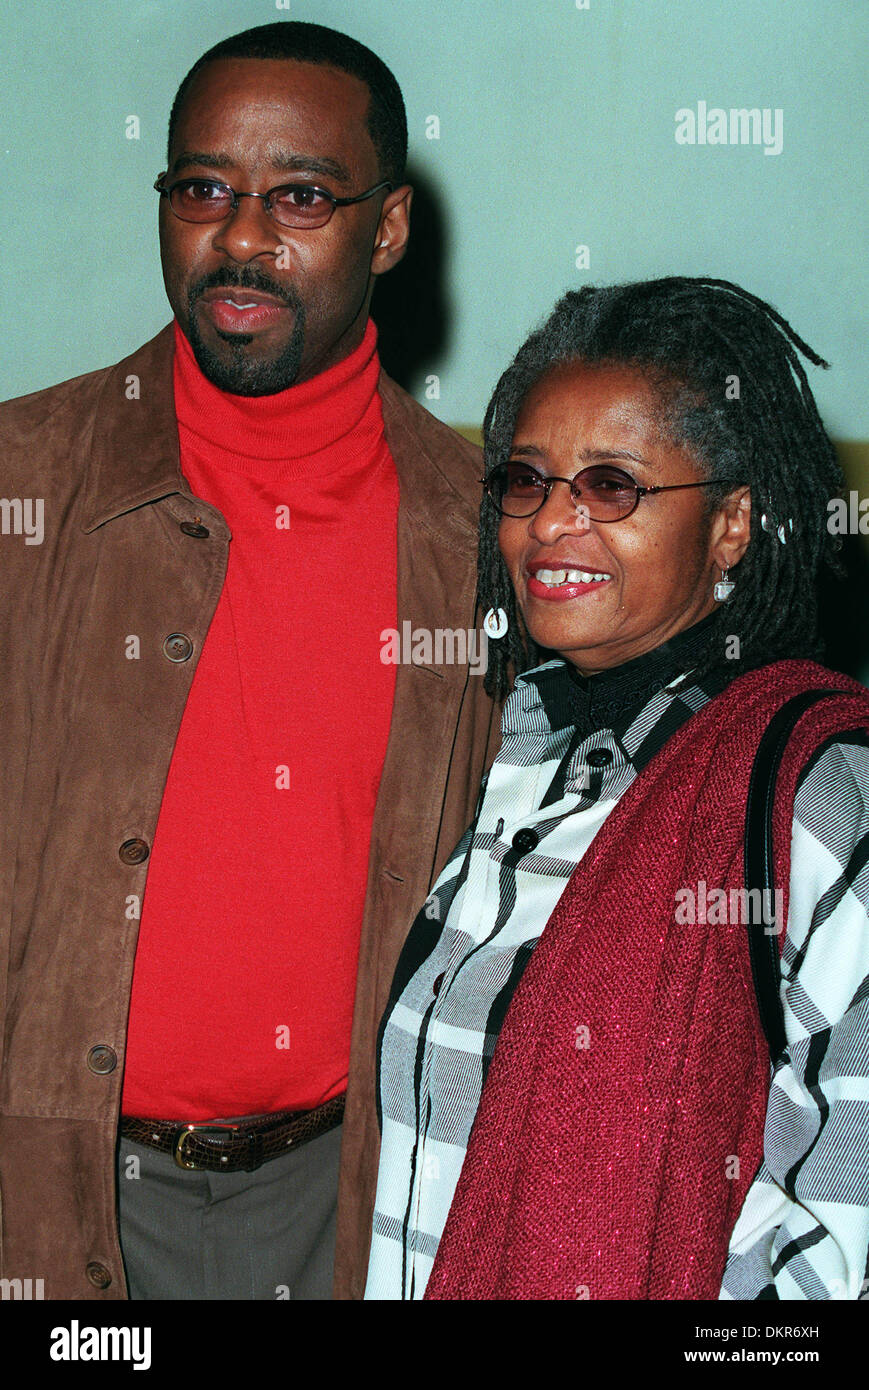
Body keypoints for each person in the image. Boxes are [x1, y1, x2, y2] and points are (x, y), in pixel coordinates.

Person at [0, 21, 498, 1302]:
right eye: (204, 188)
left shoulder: (486, 532)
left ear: (384, 231)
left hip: (354, 1196)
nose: (241, 237)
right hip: (43, 1194)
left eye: (300, 197)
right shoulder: (21, 486)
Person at [366, 277, 869, 1300]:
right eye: (527, 480)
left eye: (610, 485)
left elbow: (837, 1241)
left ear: (730, 525)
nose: (553, 522)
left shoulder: (806, 790)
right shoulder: (512, 756)